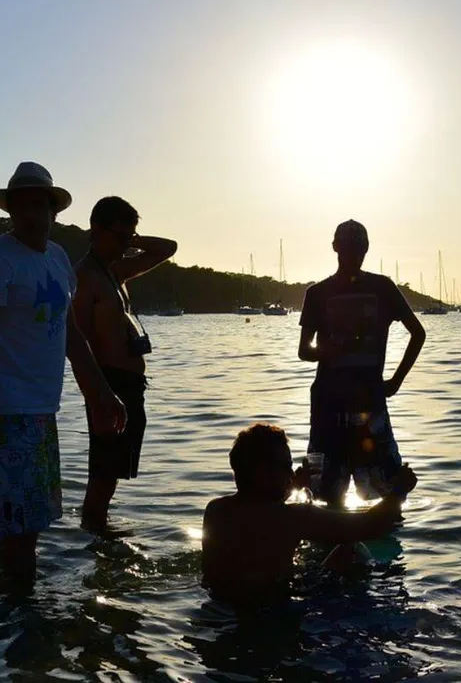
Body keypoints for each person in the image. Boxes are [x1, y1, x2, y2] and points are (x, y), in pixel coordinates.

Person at [0, 161, 126, 582]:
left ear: (54, 210)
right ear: (10, 211)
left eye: (40, 205)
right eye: (22, 206)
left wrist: (103, 394)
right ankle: (19, 617)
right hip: (3, 414)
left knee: (31, 526)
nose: (32, 214)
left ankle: (17, 609)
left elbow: (69, 336)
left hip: (42, 412)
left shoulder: (57, 258)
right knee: (17, 530)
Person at [202, 423, 418, 605]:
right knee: (350, 550)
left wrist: (291, 487)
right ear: (261, 473)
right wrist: (399, 491)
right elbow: (371, 526)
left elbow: (259, 514)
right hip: (276, 609)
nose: (290, 473)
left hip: (224, 606)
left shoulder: (215, 511)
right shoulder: (294, 517)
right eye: (285, 467)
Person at [297, 220, 426, 508]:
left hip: (369, 403)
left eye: (358, 249)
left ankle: (377, 546)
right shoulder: (317, 294)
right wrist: (330, 350)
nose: (354, 255)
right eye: (348, 249)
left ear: (366, 249)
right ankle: (335, 545)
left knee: (388, 489)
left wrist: (395, 382)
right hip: (328, 406)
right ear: (335, 248)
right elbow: (304, 351)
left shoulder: (383, 288)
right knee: (326, 494)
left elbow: (418, 333)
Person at [73, 196, 178, 530]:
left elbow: (168, 248)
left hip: (130, 388)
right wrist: (100, 396)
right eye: (119, 237)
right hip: (108, 386)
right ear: (97, 231)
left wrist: (130, 239)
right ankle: (95, 540)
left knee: (114, 476)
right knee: (102, 477)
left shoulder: (114, 272)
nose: (125, 245)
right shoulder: (85, 277)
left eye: (129, 237)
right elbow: (79, 344)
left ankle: (104, 541)